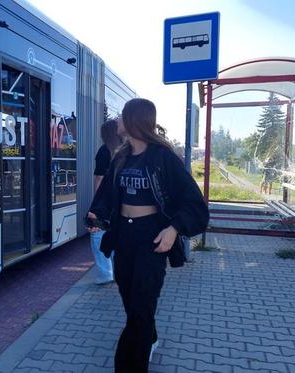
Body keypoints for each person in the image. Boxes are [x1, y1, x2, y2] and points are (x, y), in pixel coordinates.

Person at [87, 98, 209, 372]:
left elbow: (194, 203)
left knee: (140, 311)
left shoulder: (163, 158)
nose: (117, 121)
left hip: (151, 238)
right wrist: (97, 216)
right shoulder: (121, 156)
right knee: (131, 300)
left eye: (122, 116)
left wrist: (173, 228)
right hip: (124, 236)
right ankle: (150, 337)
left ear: (133, 121)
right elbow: (107, 194)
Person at [90, 119, 122, 285]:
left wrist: (97, 203)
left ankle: (105, 273)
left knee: (97, 234)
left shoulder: (104, 151)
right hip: (123, 200)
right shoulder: (126, 150)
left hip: (106, 201)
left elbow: (99, 178)